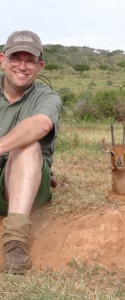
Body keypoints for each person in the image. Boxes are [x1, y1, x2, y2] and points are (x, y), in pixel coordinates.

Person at [0, 30, 62, 274]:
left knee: (27, 146)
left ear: (40, 66)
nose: (22, 66)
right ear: (3, 59)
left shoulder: (47, 97)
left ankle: (15, 242)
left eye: (30, 61)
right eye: (16, 58)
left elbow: (41, 125)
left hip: (28, 184)